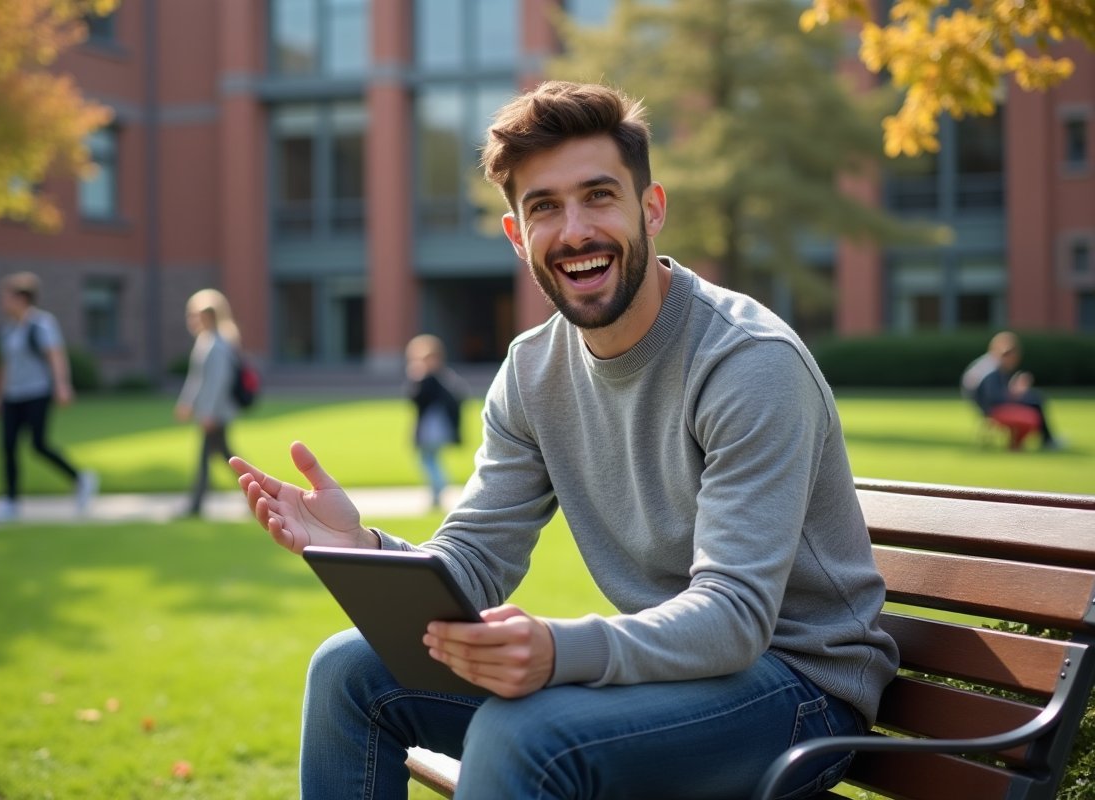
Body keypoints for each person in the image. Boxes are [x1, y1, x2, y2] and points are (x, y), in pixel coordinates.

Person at [229, 81, 898, 800]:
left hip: (799, 690)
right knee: (347, 674)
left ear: (651, 210)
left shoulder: (747, 362)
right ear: (519, 237)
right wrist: (362, 549)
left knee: (528, 737)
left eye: (599, 195)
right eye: (544, 207)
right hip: (678, 669)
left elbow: (736, 617)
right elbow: (475, 563)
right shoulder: (532, 370)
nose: (574, 230)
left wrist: (559, 650)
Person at [0, 272, 98, 523]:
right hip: (12, 396)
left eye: (6, 298)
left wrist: (62, 385)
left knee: (38, 444)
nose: (2, 303)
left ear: (21, 299)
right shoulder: (6, 329)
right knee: (7, 446)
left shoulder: (41, 324)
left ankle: (81, 479)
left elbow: (55, 355)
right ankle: (10, 501)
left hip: (37, 392)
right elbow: (3, 365)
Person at [176, 289, 241, 517]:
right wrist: (187, 403)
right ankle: (260, 494)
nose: (192, 320)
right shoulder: (206, 342)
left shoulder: (216, 345)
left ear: (209, 316)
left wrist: (208, 413)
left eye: (197, 315)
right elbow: (197, 379)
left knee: (214, 457)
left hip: (216, 413)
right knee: (226, 456)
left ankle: (195, 505)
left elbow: (216, 381)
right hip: (211, 412)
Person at [967, 331, 1062, 450]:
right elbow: (994, 398)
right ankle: (1042, 441)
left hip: (988, 406)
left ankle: (1046, 440)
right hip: (992, 409)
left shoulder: (988, 364)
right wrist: (1015, 392)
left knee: (1035, 399)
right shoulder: (991, 370)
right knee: (1032, 415)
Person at [405, 334, 467, 509]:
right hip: (439, 426)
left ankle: (439, 486)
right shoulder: (445, 377)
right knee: (431, 458)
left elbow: (416, 398)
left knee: (428, 459)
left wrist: (415, 378)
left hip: (432, 427)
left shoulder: (429, 379)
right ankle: (437, 490)